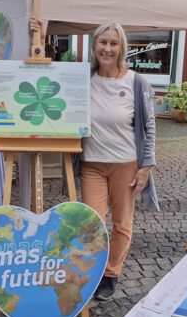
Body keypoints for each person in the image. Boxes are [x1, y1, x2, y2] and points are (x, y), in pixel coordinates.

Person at [30, 19, 159, 301]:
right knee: (92, 222)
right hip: (92, 164)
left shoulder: (137, 82)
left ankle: (111, 273)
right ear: (94, 45)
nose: (108, 48)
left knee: (122, 223)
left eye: (113, 43)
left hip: (126, 164)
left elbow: (149, 127)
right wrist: (39, 35)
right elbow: (47, 75)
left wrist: (146, 166)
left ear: (121, 47)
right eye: (103, 42)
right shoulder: (82, 78)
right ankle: (92, 270)